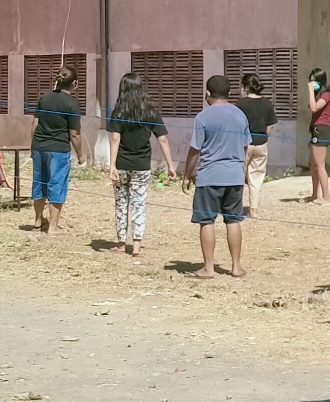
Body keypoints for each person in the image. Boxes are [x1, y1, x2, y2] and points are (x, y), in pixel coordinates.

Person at [183, 75, 250, 278]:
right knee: (233, 220)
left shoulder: (203, 117)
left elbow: (195, 150)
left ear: (208, 93)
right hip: (234, 176)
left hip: (210, 176)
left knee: (207, 220)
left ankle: (209, 268)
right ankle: (236, 266)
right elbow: (245, 146)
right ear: (229, 93)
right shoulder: (240, 116)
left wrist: (187, 175)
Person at [106, 71, 174, 257]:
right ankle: (136, 245)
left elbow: (114, 138)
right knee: (138, 203)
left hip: (122, 163)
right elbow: (163, 139)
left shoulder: (118, 111)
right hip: (142, 164)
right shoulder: (151, 111)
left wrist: (111, 165)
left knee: (121, 203)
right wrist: (170, 165)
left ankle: (121, 243)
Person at [29, 68, 84, 234]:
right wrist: (81, 156)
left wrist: (34, 146)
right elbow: (74, 134)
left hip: (39, 147)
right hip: (58, 150)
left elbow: (34, 125)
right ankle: (52, 227)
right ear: (74, 83)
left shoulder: (44, 98)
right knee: (57, 184)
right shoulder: (72, 104)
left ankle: (38, 220)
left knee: (40, 183)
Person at [239, 74, 278, 211]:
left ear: (246, 87)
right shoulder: (267, 103)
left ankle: (235, 207)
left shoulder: (240, 104)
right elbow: (270, 126)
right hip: (261, 144)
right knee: (256, 178)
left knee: (238, 175)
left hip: (244, 144)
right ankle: (253, 210)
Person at [305, 68, 330, 203]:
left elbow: (314, 108)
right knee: (313, 163)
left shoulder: (326, 95)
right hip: (315, 130)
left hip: (321, 130)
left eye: (314, 81)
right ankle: (314, 194)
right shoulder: (319, 95)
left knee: (320, 164)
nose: (312, 83)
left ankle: (326, 197)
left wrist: (311, 91)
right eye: (310, 80)